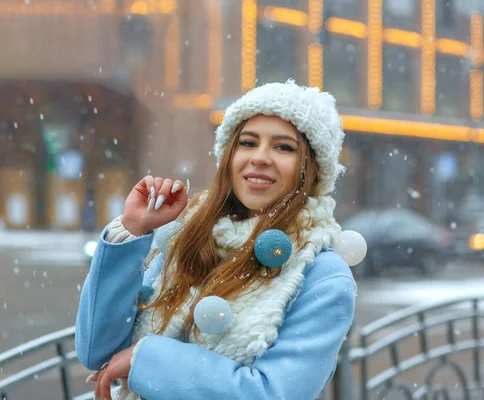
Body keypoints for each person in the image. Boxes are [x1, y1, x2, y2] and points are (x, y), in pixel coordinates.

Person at [76, 80, 358, 400]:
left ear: (312, 170)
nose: (260, 157)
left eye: (284, 147)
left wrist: (147, 359)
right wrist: (133, 229)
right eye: (248, 143)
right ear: (229, 156)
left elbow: (272, 393)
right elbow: (97, 350)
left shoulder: (320, 275)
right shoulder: (189, 239)